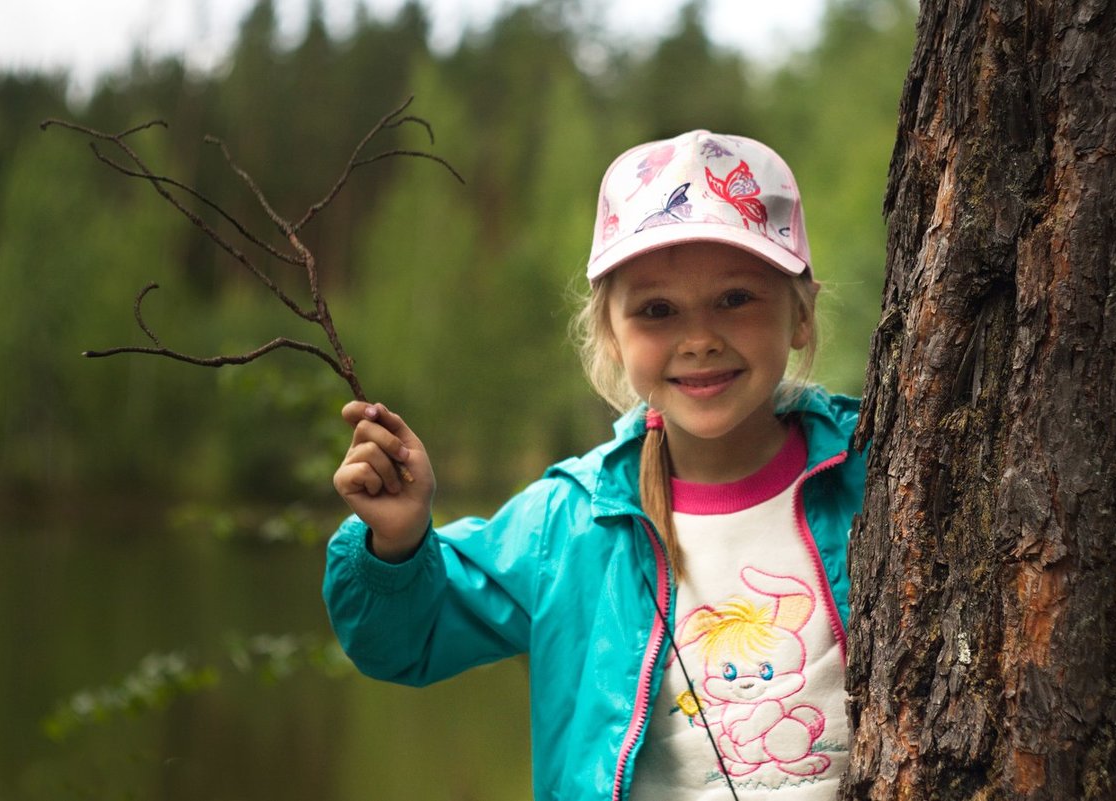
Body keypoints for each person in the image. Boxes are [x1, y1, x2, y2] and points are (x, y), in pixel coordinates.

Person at [324, 129, 867, 800]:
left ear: (801, 314)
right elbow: (404, 641)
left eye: (734, 297)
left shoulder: (876, 474)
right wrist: (398, 542)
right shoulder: (569, 521)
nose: (699, 338)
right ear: (612, 336)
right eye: (657, 310)